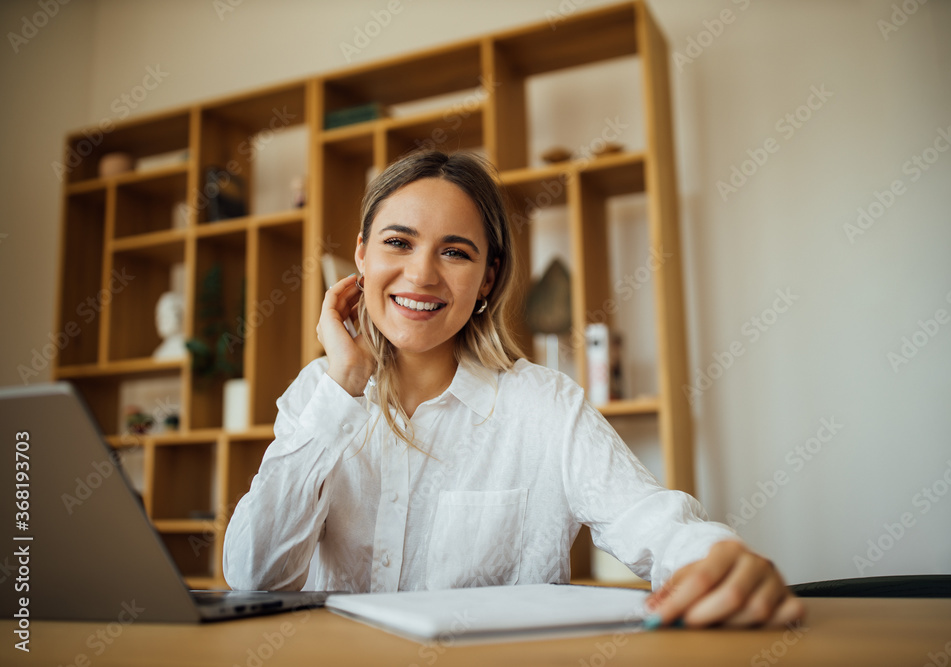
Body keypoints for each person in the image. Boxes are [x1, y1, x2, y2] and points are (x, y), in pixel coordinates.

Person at [223, 150, 804, 628]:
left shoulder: (543, 405)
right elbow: (254, 577)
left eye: (455, 252)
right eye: (398, 243)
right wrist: (344, 380)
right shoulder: (317, 395)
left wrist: (713, 557)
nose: (422, 274)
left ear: (487, 278)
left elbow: (650, 520)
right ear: (361, 257)